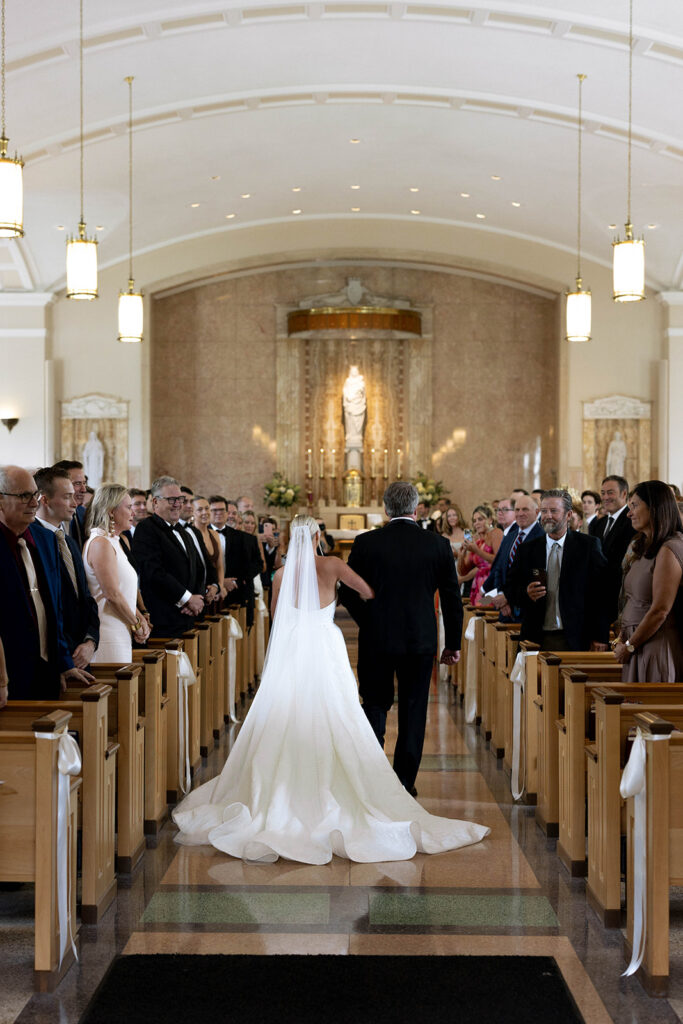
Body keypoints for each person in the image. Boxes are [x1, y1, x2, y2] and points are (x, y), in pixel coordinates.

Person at [173, 513, 489, 863]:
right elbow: (368, 591)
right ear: (317, 535)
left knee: (289, 712)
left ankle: (282, 789)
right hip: (325, 645)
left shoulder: (280, 574)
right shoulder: (334, 565)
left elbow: (278, 618)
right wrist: (339, 597)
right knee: (336, 713)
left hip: (293, 649)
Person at [340, 482, 464, 795]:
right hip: (419, 640)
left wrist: (368, 620)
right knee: (413, 708)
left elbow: (348, 591)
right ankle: (404, 782)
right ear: (416, 507)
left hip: (376, 639)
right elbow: (451, 597)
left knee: (374, 704)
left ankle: (371, 777)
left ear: (385, 508)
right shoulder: (436, 544)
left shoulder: (367, 542)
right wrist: (452, 645)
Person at [0, 465, 93, 699]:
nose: (34, 503)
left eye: (34, 494)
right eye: (24, 496)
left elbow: (55, 607)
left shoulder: (45, 539)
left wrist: (63, 661)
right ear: (1, 501)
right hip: (9, 674)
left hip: (47, 670)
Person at [507, 488, 610, 651]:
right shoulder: (527, 550)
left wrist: (600, 636)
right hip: (536, 636)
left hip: (576, 637)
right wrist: (526, 593)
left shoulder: (588, 546)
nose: (547, 516)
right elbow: (510, 588)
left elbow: (602, 594)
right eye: (544, 511)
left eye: (554, 511)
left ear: (568, 515)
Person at [613, 480, 683, 681]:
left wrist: (631, 645)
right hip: (637, 644)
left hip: (655, 645)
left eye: (634, 506)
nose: (629, 513)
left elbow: (660, 609)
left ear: (654, 507)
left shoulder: (670, 548)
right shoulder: (646, 546)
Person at [33, 466, 100, 669]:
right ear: (44, 500)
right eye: (67, 497)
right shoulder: (32, 541)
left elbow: (86, 598)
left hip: (82, 654)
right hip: (55, 659)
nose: (74, 503)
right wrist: (65, 654)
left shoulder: (69, 542)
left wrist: (90, 641)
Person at [132, 476, 206, 637]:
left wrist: (197, 599)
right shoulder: (146, 529)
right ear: (155, 502)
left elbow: (198, 568)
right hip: (163, 619)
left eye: (180, 499)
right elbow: (153, 572)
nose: (178, 504)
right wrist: (187, 598)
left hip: (188, 616)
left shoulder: (183, 531)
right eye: (171, 499)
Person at [84, 485, 150, 661]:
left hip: (121, 627)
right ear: (111, 511)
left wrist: (139, 617)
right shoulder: (100, 543)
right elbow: (111, 594)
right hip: (108, 632)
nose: (133, 513)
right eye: (128, 507)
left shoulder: (115, 541)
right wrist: (135, 624)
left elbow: (122, 592)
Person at [590, 474, 636, 626]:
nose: (605, 497)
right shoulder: (599, 524)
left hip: (619, 599)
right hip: (598, 598)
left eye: (610, 492)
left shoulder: (632, 522)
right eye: (603, 493)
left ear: (624, 494)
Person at [457, 504, 502, 606]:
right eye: (474, 520)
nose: (476, 523)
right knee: (477, 614)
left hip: (493, 586)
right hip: (477, 587)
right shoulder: (476, 540)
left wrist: (477, 551)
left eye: (480, 519)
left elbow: (499, 561)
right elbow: (463, 572)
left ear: (490, 520)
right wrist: (461, 555)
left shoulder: (496, 533)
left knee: (485, 612)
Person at [52, 459, 88, 549]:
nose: (84, 490)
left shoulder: (84, 514)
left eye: (84, 483)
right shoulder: (48, 517)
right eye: (77, 483)